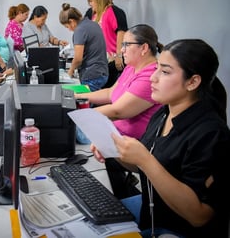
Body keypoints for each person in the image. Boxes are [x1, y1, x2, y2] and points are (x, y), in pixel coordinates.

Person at [91, 39, 230, 237]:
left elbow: (199, 216)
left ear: (192, 82)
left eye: (164, 72)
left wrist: (144, 159)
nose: (152, 78)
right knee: (90, 216)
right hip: (152, 212)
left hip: (176, 230)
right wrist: (114, 151)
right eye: (156, 69)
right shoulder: (164, 113)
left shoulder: (211, 134)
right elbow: (143, 166)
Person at [75, 24, 163, 198]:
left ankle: (122, 197)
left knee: (77, 143)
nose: (120, 50)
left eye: (125, 45)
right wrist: (78, 96)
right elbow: (110, 93)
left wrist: (81, 116)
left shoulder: (149, 75)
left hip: (131, 144)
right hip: (114, 135)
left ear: (144, 48)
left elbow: (118, 111)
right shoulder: (131, 67)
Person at [59, 3, 108, 91]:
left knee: (84, 102)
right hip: (102, 72)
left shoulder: (80, 30)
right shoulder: (93, 24)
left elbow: (78, 59)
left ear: (71, 21)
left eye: (67, 27)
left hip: (92, 75)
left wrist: (70, 72)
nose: (69, 29)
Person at [86, 0, 128, 88]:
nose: (90, 4)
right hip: (100, 58)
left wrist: (118, 56)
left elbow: (121, 32)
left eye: (91, 1)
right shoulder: (94, 14)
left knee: (108, 87)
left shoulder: (112, 11)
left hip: (112, 58)